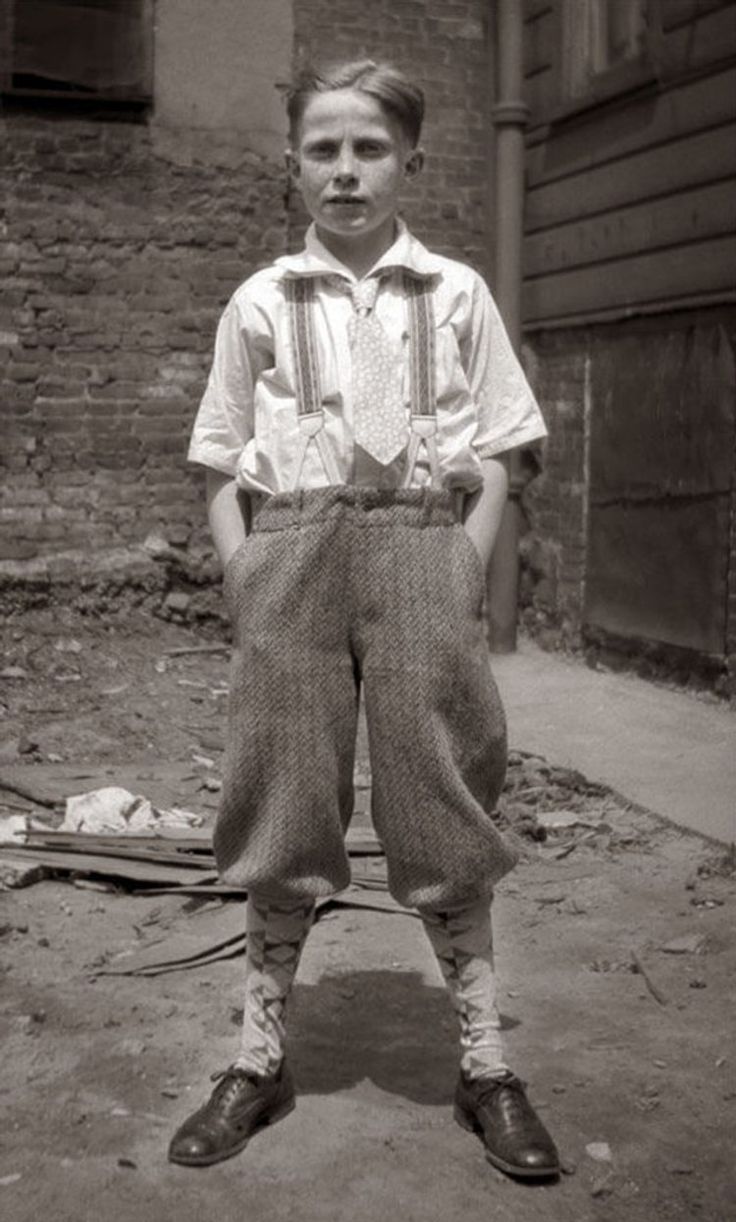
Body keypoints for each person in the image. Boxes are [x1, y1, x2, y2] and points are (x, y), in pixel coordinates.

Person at [168, 59, 559, 1181]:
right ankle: (258, 1055)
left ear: (411, 163)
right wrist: (248, 575)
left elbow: (499, 450)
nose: (345, 171)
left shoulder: (456, 292)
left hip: (420, 544)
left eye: (369, 148)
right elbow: (217, 460)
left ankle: (485, 1063)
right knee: (285, 793)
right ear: (291, 164)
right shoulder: (259, 300)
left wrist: (460, 558)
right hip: (291, 550)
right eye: (323, 149)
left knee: (442, 795)